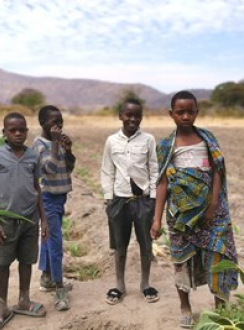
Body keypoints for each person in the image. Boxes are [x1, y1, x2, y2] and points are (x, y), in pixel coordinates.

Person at [150, 91, 238, 329]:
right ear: (171, 114)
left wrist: (212, 204)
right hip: (180, 215)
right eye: (180, 112)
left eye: (191, 111)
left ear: (197, 113)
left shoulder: (207, 139)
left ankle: (221, 308)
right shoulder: (167, 146)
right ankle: (185, 306)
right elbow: (162, 183)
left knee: (218, 257)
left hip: (213, 213)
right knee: (181, 259)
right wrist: (156, 220)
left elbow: (218, 171)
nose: (186, 116)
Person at [0, 112, 48, 330]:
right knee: (3, 263)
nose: (18, 133)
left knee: (27, 260)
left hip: (30, 218)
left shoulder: (32, 156)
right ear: (4, 132)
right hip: (6, 219)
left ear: (27, 131)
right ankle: (1, 308)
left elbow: (37, 188)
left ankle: (24, 300)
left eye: (22, 129)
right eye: (13, 130)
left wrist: (44, 220)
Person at [101, 98, 159, 305]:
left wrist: (152, 200)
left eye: (137, 115)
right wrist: (109, 200)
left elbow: (154, 169)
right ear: (120, 116)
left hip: (143, 201)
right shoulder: (111, 141)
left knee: (146, 244)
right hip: (119, 201)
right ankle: (119, 285)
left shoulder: (148, 140)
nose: (133, 119)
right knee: (120, 246)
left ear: (141, 117)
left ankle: (145, 284)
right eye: (129, 115)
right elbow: (107, 170)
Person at [33, 105, 76, 312]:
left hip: (60, 196)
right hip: (48, 198)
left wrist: (67, 150)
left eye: (61, 122)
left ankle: (47, 277)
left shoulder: (57, 142)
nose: (58, 125)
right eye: (53, 122)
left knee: (48, 239)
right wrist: (56, 144)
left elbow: (69, 167)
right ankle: (59, 289)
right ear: (43, 124)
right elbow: (48, 169)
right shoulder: (39, 144)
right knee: (55, 243)